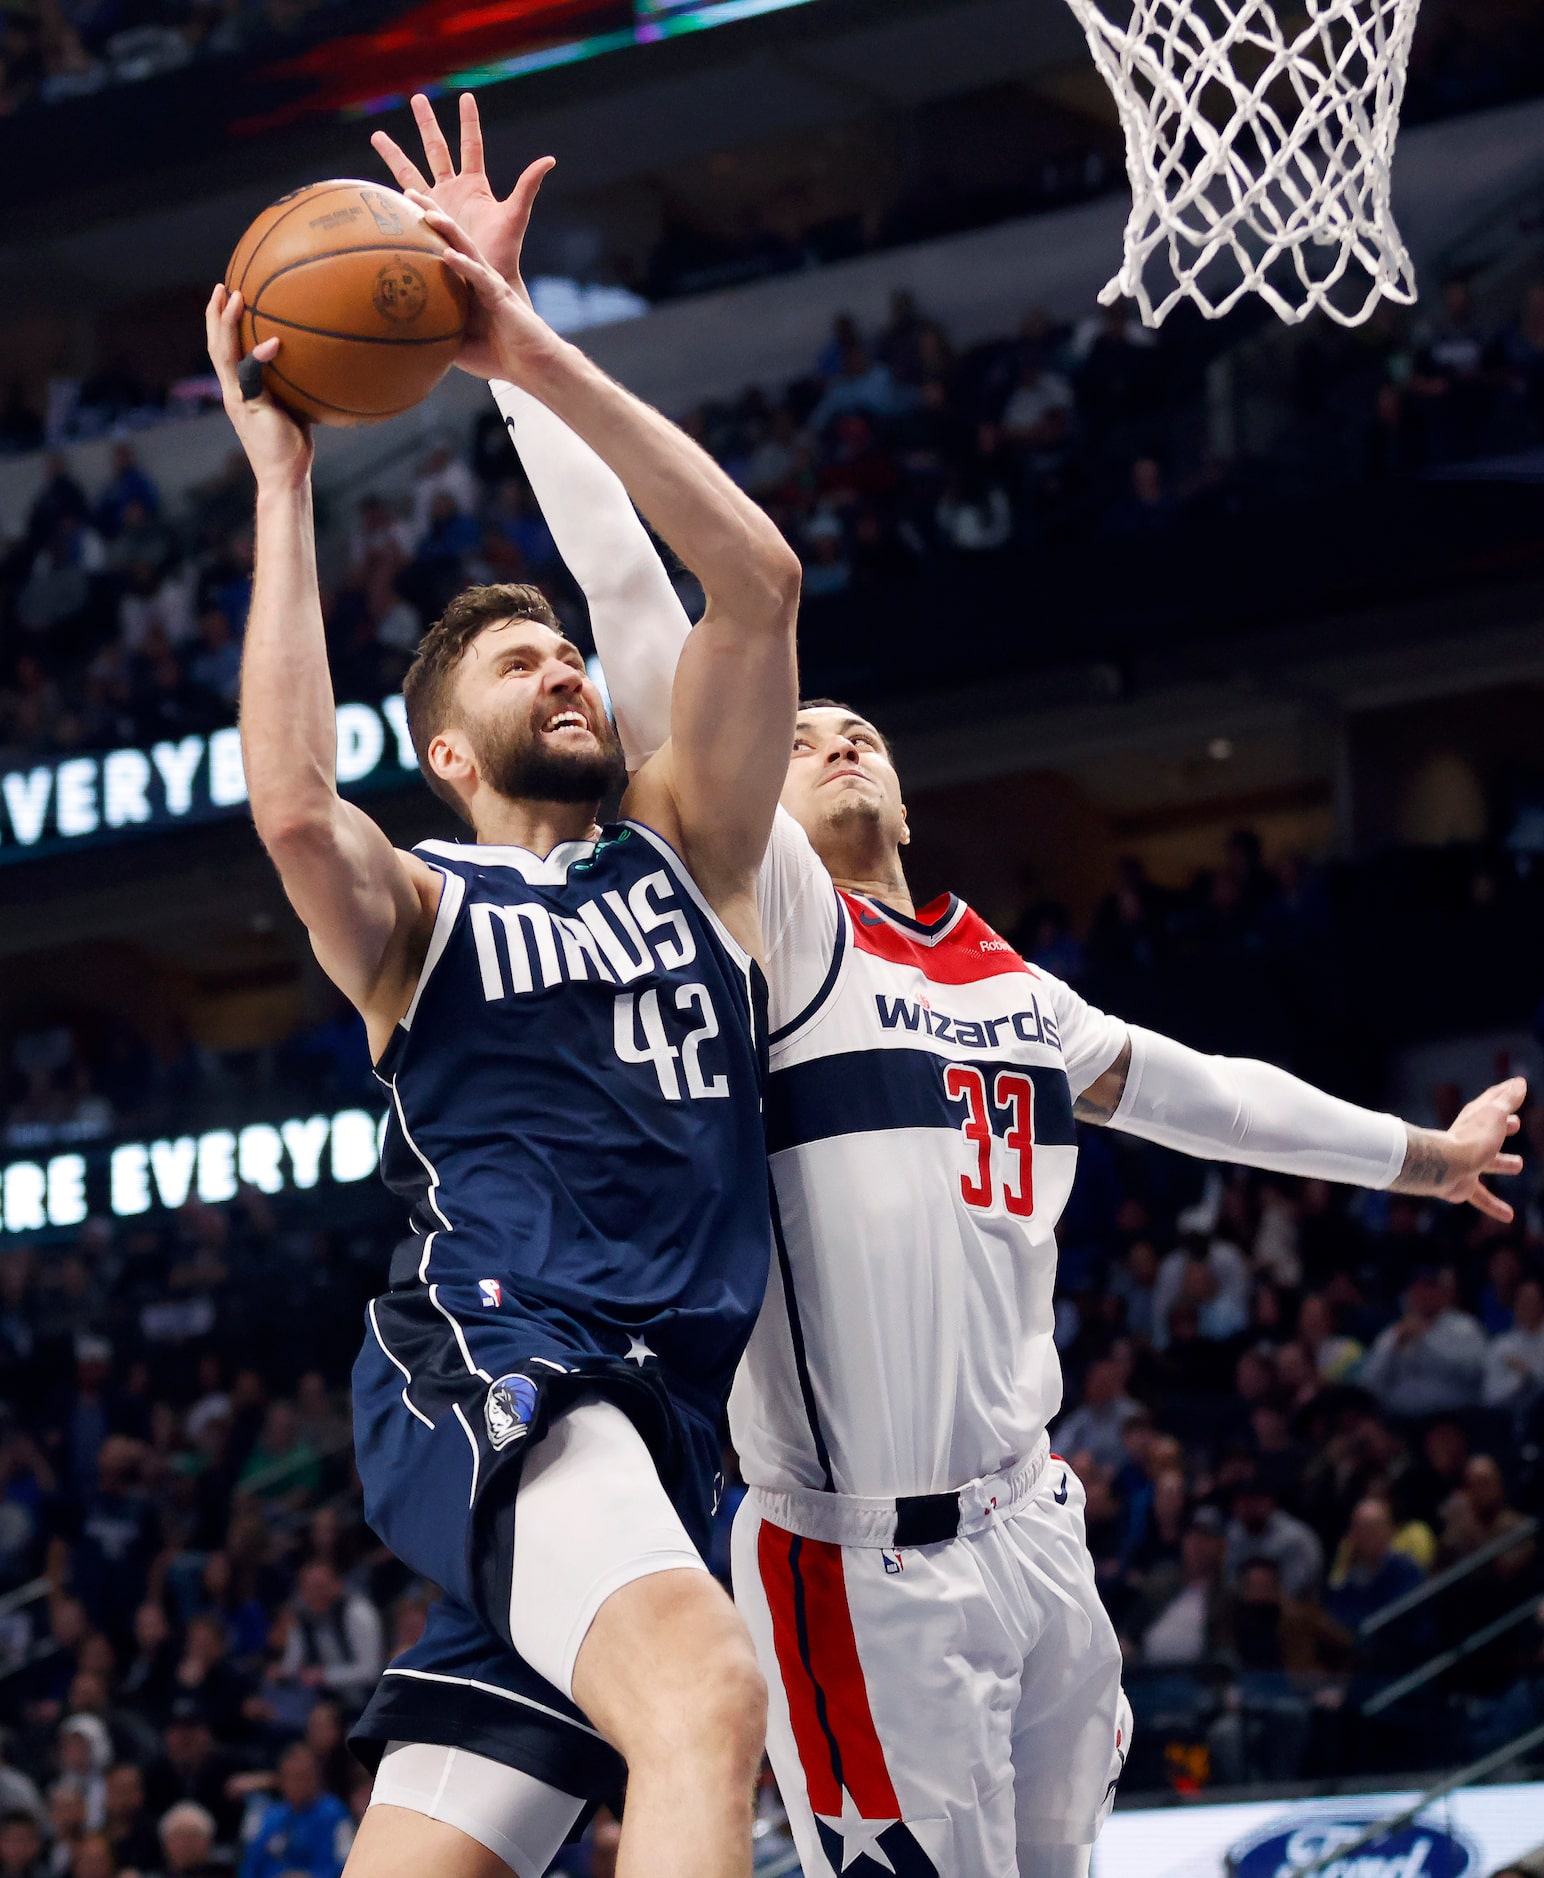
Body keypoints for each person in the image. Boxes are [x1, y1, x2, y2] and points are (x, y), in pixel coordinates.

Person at [454, 247, 1530, 1878]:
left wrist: (1420, 1155)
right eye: (804, 729)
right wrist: (511, 353)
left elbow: (1208, 1092)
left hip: (1033, 1532)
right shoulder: (770, 924)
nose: (834, 732)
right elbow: (631, 595)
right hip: (851, 1564)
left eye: (856, 726)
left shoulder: (1005, 981)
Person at [212, 88, 800, 1878]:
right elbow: (297, 805)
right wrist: (286, 482)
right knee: (705, 1697)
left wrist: (515, 344)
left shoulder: (688, 851)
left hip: (662, 1420)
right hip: (505, 1353)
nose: (562, 670)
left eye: (567, 652)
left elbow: (754, 583)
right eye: (516, 663)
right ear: (448, 755)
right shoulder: (424, 899)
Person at [239, 1747, 351, 1878]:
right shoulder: (271, 1816)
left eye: (299, 1777)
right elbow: (250, 1864)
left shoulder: (334, 1814)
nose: (293, 1784)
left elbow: (344, 1864)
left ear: (315, 1779)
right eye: (287, 1777)